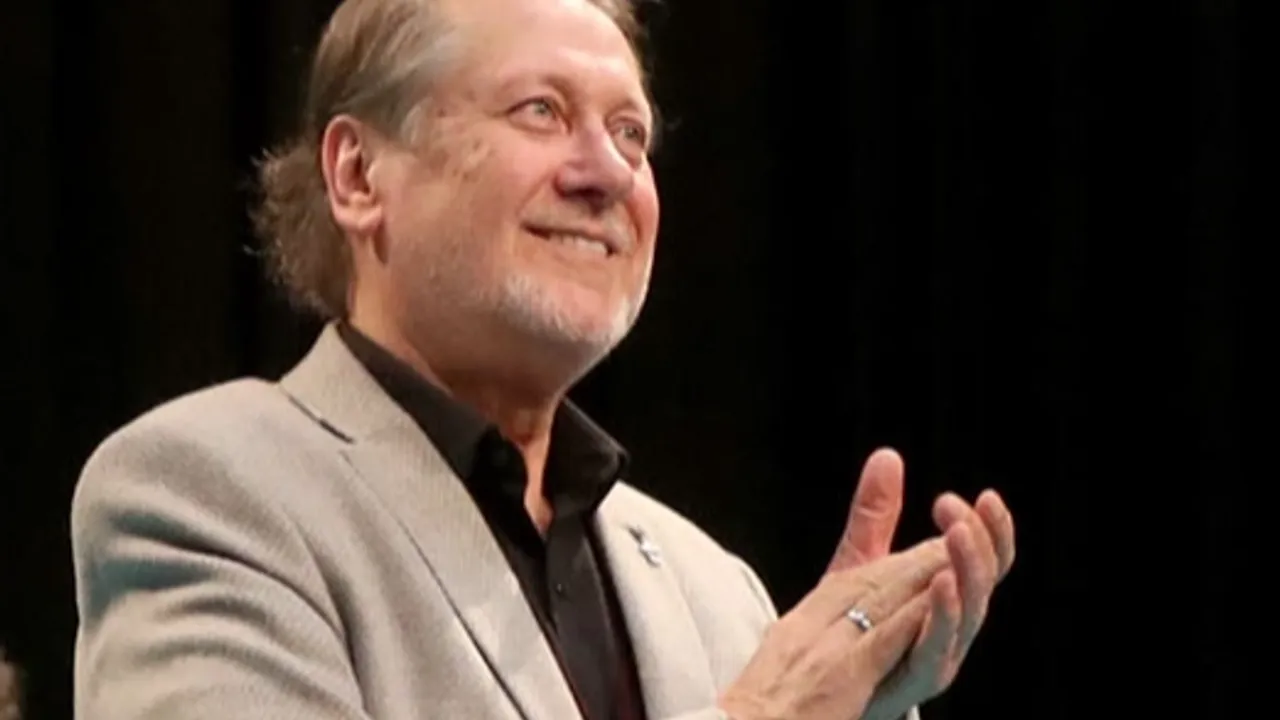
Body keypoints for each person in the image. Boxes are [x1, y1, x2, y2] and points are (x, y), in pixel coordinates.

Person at [69, 0, 1016, 718]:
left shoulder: (715, 590)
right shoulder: (206, 495)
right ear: (358, 175)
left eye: (631, 133)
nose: (606, 173)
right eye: (541, 111)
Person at [0, 648, 20, 720]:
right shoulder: (10, 669)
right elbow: (15, 692)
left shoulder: (10, 669)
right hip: (7, 707)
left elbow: (15, 691)